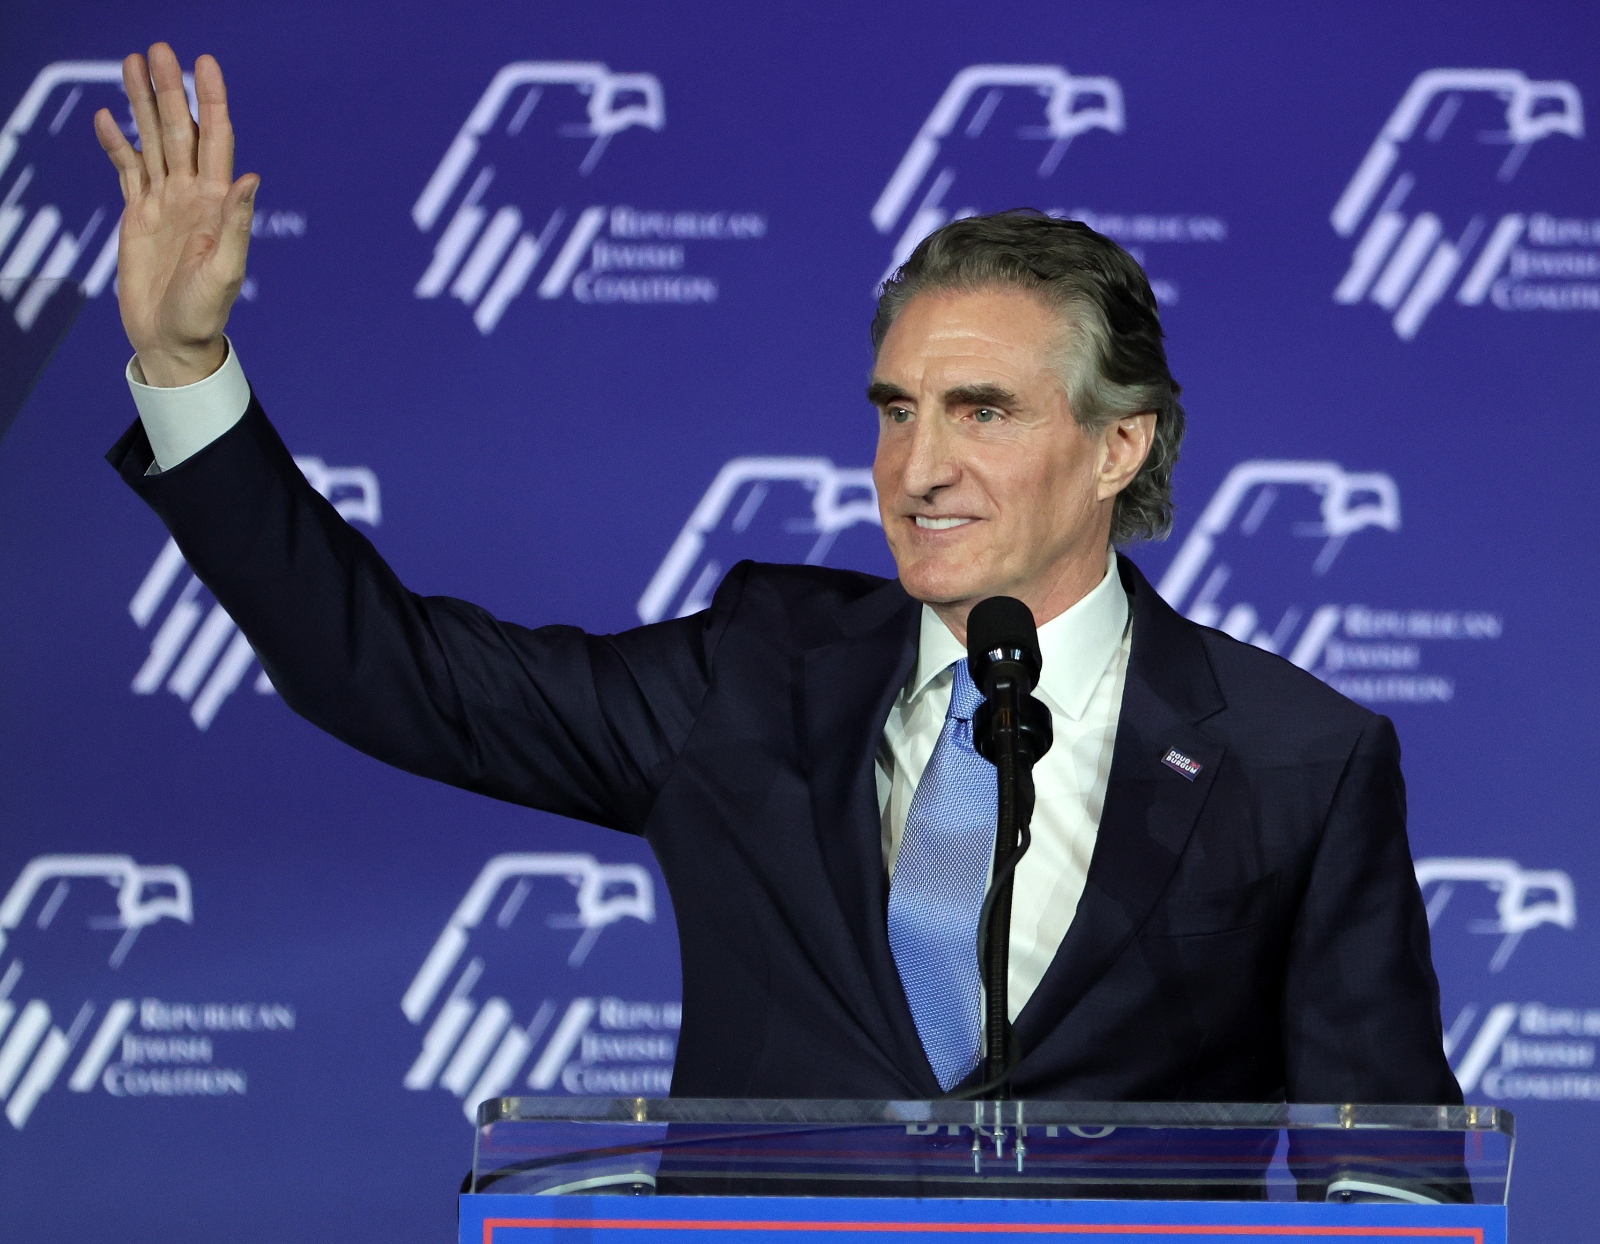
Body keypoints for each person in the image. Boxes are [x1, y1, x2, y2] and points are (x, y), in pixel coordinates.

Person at [96, 45, 1460, 1104]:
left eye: (980, 410)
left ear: (1119, 445)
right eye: (894, 410)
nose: (918, 466)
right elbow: (385, 670)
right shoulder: (753, 674)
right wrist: (182, 369)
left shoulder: (1299, 760)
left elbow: (1391, 1173)